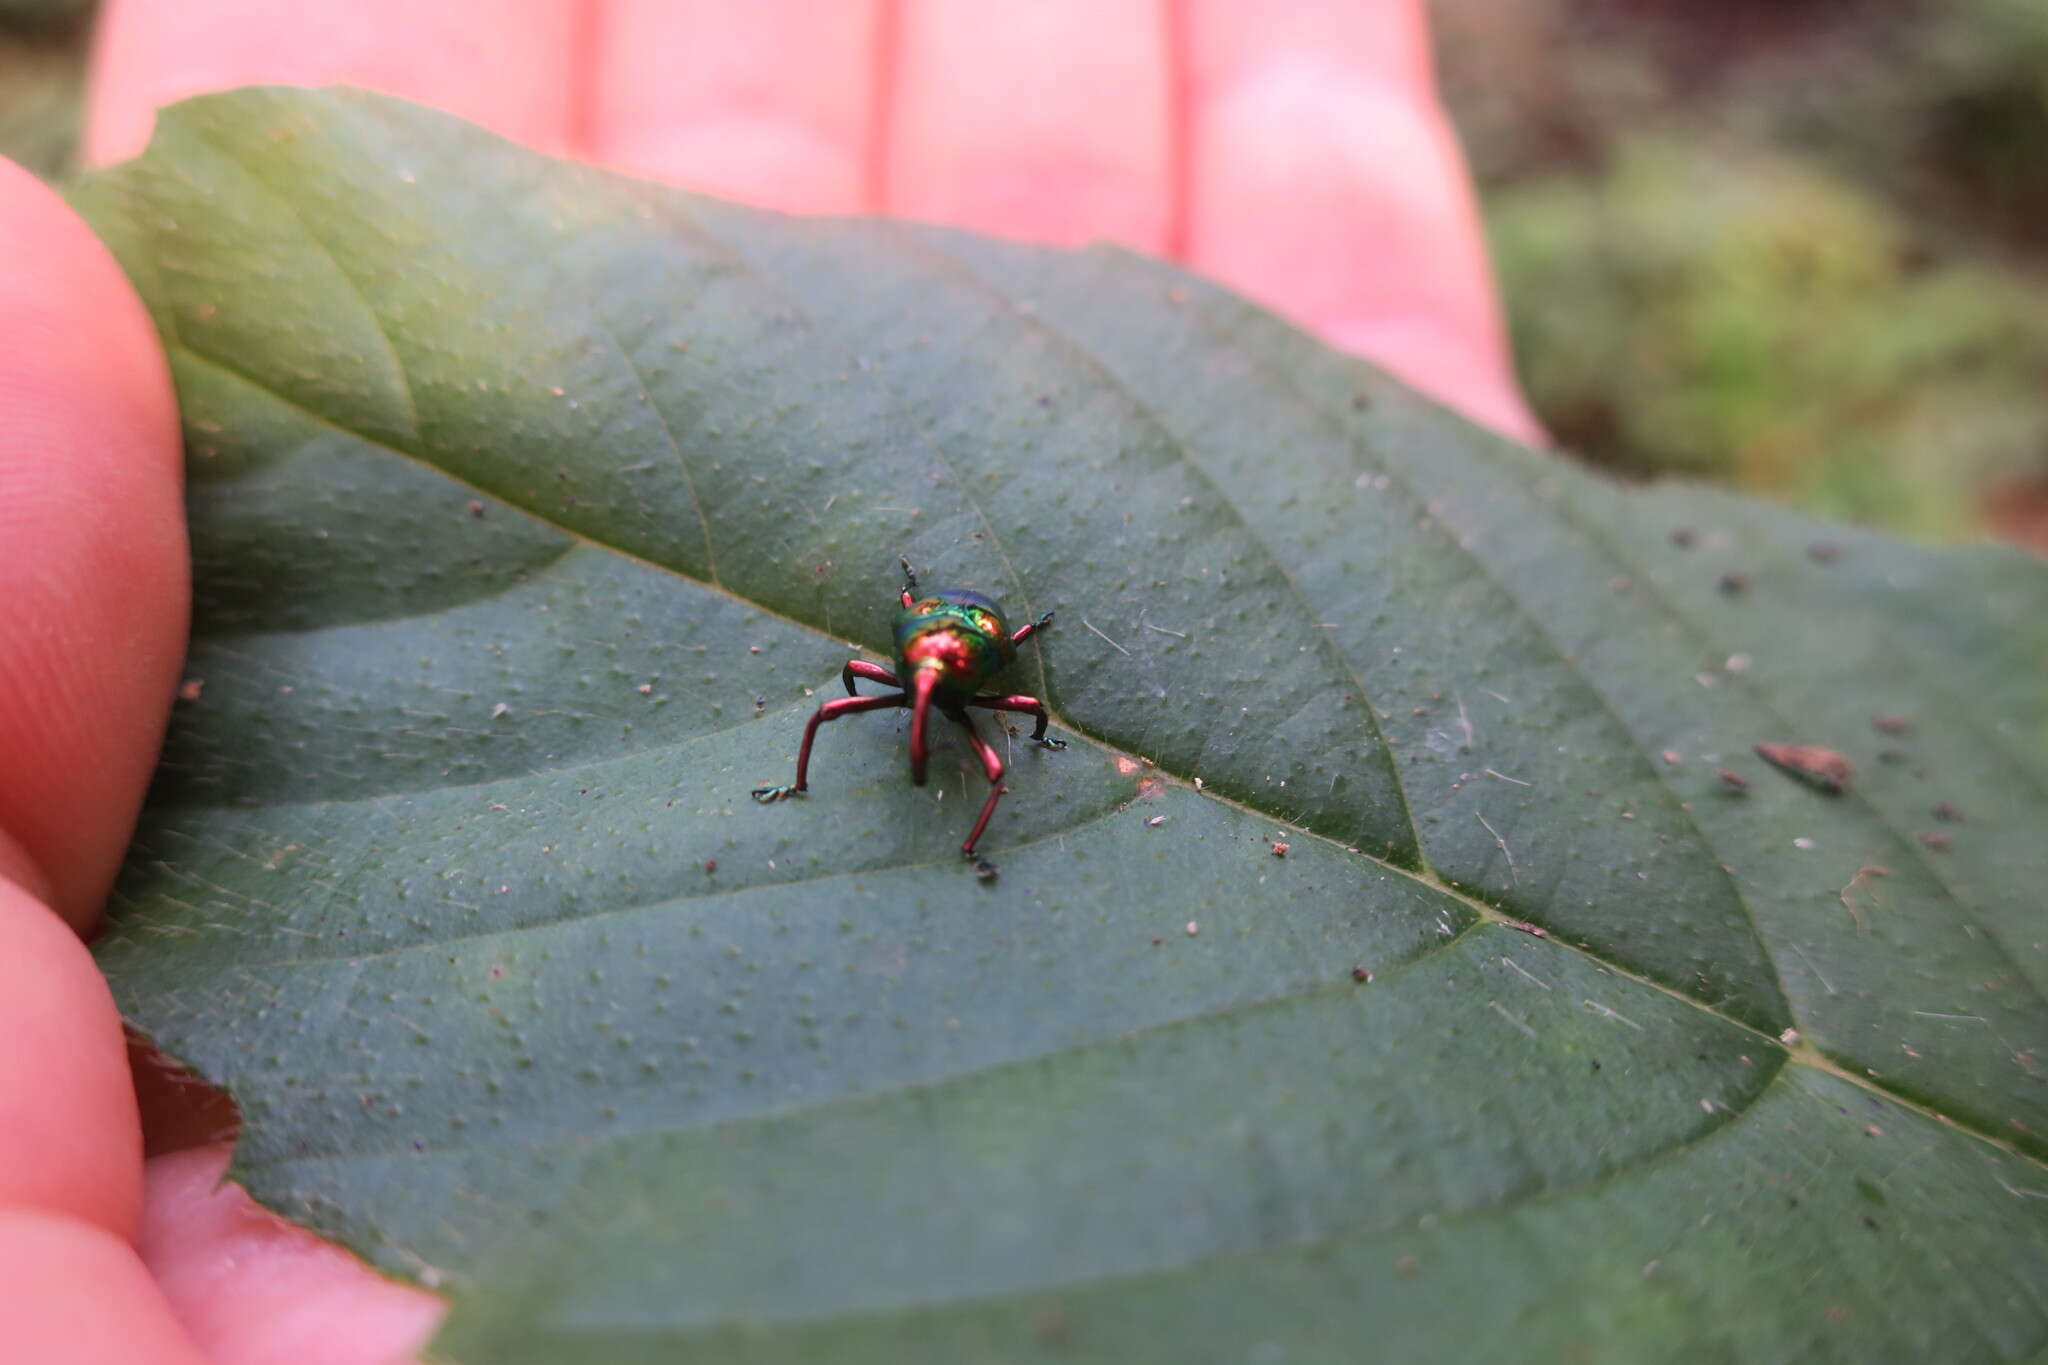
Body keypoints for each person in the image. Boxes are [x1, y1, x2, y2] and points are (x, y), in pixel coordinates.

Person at [0, 2, 1536, 1359]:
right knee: (838, 705)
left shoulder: (990, 685)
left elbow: (1005, 691)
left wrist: (988, 681)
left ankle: (978, 838)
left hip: (993, 635)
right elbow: (900, 663)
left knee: (993, 759)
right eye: (928, 671)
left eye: (940, 674)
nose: (930, 697)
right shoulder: (901, 672)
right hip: (948, 625)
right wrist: (901, 679)